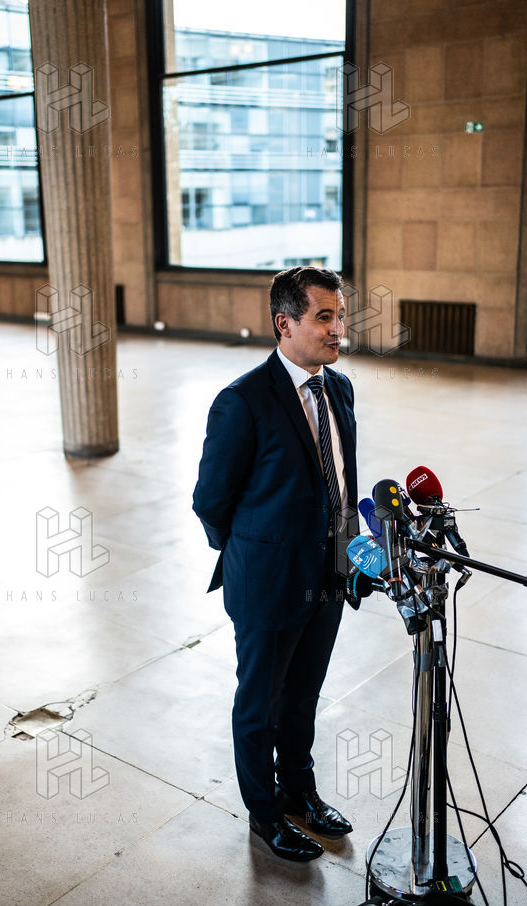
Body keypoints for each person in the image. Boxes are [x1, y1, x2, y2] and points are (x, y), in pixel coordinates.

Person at [193, 266, 368, 862]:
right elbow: (211, 502)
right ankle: (266, 815)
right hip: (268, 585)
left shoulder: (339, 389)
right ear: (284, 323)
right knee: (260, 706)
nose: (337, 329)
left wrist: (348, 553)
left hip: (329, 576)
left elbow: (341, 483)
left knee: (303, 697)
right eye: (324, 317)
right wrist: (257, 553)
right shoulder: (242, 401)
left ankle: (299, 792)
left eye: (340, 316)